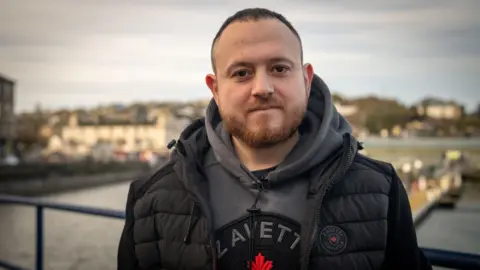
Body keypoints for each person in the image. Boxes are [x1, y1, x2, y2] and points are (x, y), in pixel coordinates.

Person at [117, 8, 432, 270]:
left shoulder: (380, 189)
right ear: (214, 88)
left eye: (279, 68)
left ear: (306, 80)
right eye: (242, 72)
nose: (262, 87)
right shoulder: (151, 199)